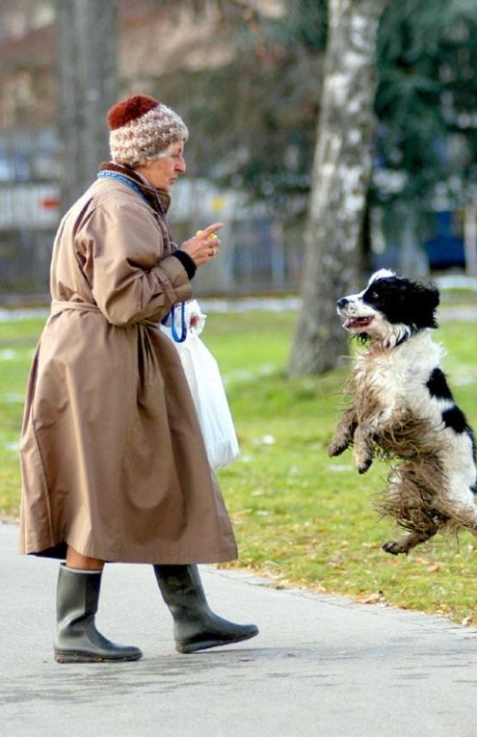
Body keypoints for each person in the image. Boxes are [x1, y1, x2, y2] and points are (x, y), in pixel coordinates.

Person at [19, 94, 258, 663]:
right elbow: (124, 301)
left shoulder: (124, 198)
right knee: (97, 488)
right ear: (144, 154)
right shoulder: (117, 206)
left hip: (113, 357)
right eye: (174, 153)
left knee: (165, 473)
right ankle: (74, 629)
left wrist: (174, 278)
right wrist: (186, 262)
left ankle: (192, 616)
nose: (181, 165)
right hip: (99, 363)